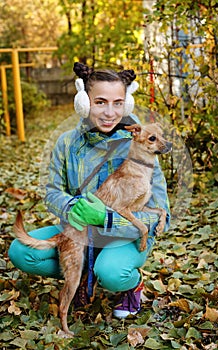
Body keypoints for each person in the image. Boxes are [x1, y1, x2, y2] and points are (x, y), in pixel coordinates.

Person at [8, 62, 170, 318]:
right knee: (20, 251)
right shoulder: (66, 143)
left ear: (127, 103)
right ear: (84, 102)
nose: (109, 112)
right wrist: (76, 208)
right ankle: (83, 267)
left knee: (113, 273)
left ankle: (127, 283)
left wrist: (108, 219)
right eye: (100, 102)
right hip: (82, 230)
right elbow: (52, 191)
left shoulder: (142, 145)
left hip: (124, 234)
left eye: (118, 103)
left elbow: (164, 213)